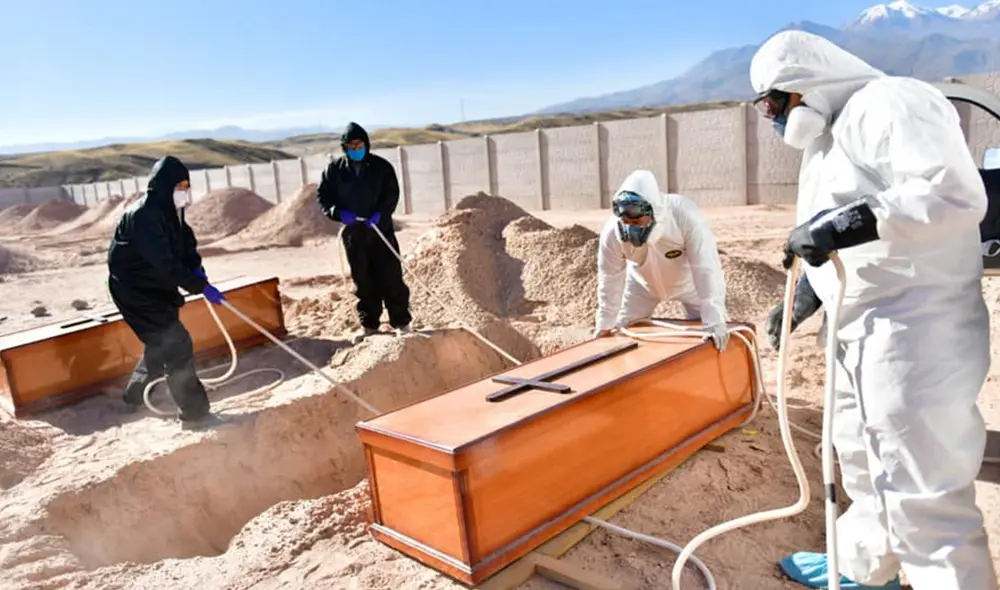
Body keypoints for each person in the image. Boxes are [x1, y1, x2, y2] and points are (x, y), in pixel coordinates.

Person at [751, 30, 995, 590]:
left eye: (773, 104)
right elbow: (843, 233)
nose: (773, 121)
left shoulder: (891, 102)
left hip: (916, 325)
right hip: (858, 323)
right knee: (861, 457)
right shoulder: (827, 141)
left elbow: (953, 194)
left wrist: (840, 226)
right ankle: (864, 568)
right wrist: (809, 293)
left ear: (802, 84)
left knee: (920, 482)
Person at [107, 155, 226, 427]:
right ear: (163, 185)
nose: (184, 191)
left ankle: (134, 396)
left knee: (160, 342)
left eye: (187, 185)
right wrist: (200, 287)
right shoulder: (143, 216)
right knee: (175, 342)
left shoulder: (170, 212)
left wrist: (196, 269)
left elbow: (184, 245)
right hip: (134, 290)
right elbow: (165, 263)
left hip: (156, 286)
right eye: (179, 185)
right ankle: (195, 414)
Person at [594, 169, 729, 352]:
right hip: (642, 286)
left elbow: (705, 267)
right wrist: (605, 323)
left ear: (653, 211)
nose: (631, 227)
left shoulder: (683, 214)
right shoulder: (612, 234)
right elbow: (610, 278)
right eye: (626, 220)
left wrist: (714, 317)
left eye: (637, 220)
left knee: (714, 340)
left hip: (691, 286)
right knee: (623, 334)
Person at [316, 121, 412, 344]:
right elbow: (324, 198)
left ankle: (401, 322)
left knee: (391, 277)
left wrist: (381, 214)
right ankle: (370, 325)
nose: (356, 148)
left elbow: (391, 194)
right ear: (344, 147)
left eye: (360, 144)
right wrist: (337, 212)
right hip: (354, 235)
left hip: (380, 231)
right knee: (363, 280)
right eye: (352, 145)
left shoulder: (381, 167)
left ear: (367, 144)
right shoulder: (334, 170)